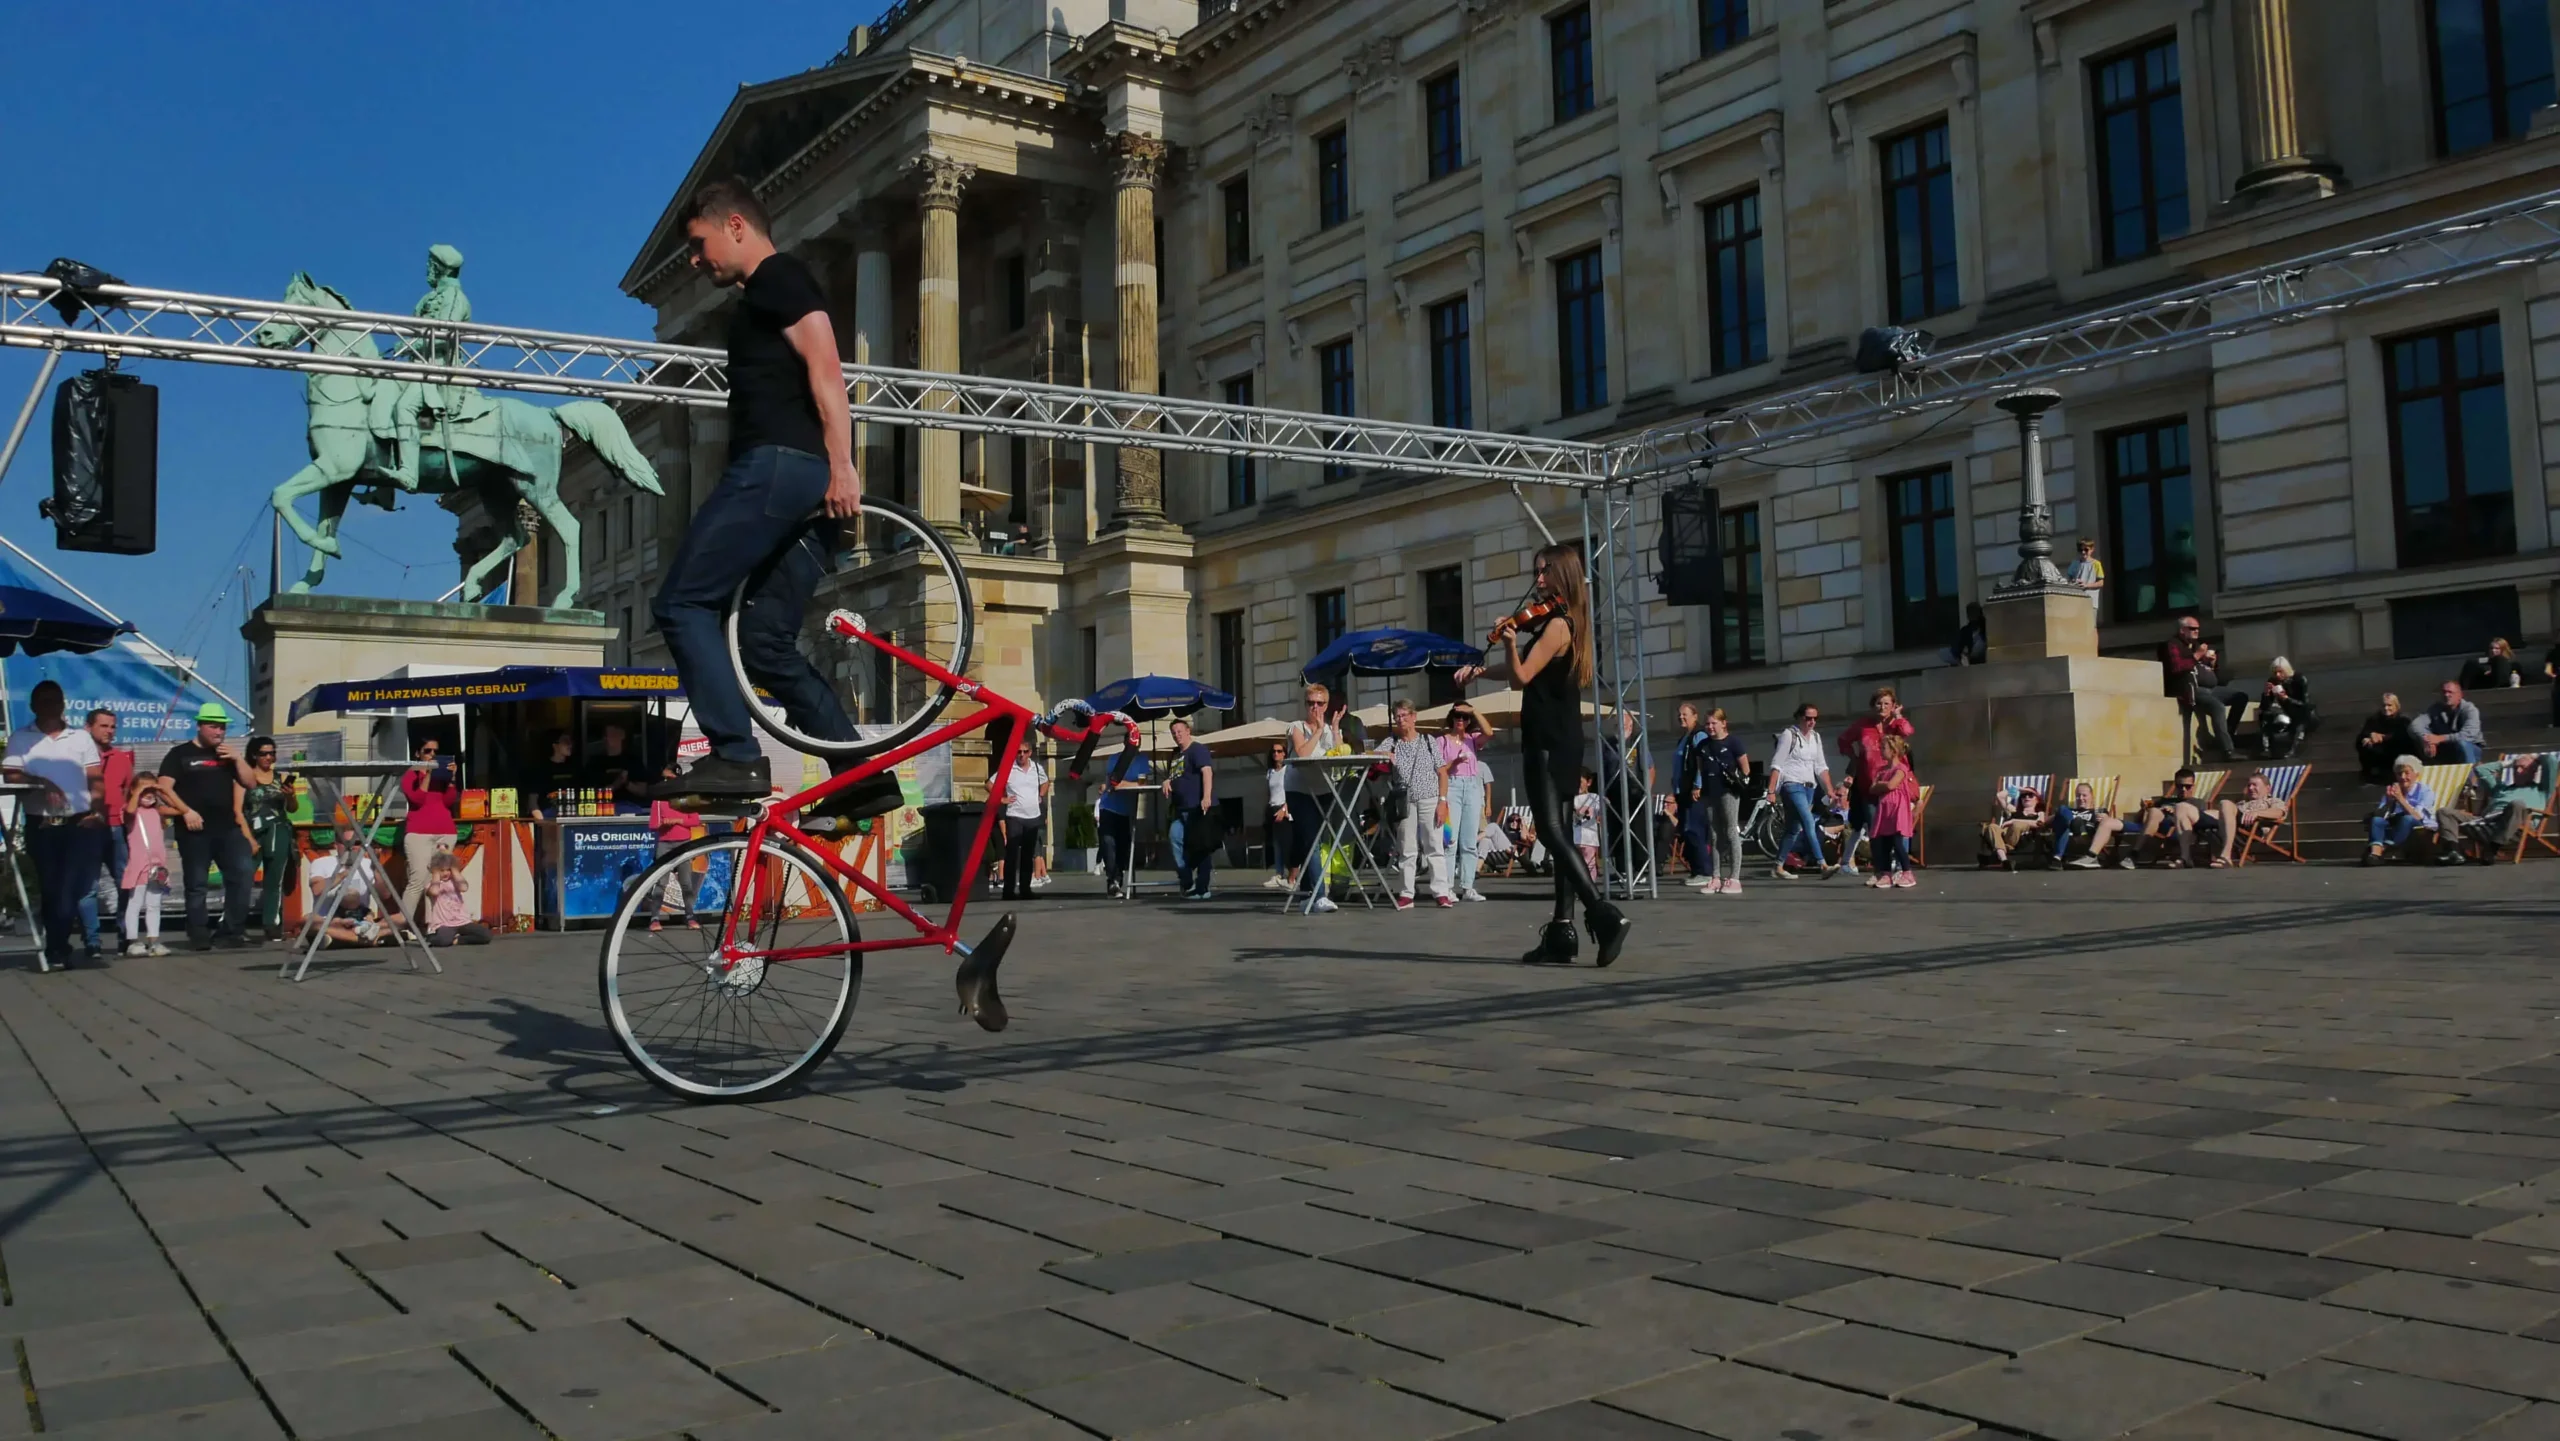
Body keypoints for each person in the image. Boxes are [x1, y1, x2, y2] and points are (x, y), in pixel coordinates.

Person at [645, 178, 894, 828]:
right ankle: (863, 779)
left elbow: (826, 369)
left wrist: (844, 463)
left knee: (680, 602)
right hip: (796, 480)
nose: (696, 263)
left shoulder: (779, 278)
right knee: (764, 644)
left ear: (734, 225)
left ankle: (735, 754)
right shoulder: (761, 294)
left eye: (698, 246)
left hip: (779, 468)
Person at [1449, 544, 1629, 966]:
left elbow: (1523, 676)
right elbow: (1524, 668)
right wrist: (1480, 671)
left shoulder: (1557, 626)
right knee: (1560, 831)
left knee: (1549, 831)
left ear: (1561, 573)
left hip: (1547, 739)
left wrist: (1509, 641)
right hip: (1563, 736)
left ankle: (1604, 914)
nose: (1538, 580)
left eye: (1544, 572)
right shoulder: (1560, 623)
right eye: (1537, 572)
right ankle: (1562, 934)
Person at [5, 681, 106, 969]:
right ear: (34, 705)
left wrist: (97, 811)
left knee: (69, 888)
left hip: (78, 822)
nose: (50, 706)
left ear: (63, 704)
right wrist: (41, 782)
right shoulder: (21, 738)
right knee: (51, 887)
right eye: (44, 701)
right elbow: (11, 774)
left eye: (55, 700)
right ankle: (57, 945)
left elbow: (95, 778)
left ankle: (58, 946)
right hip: (42, 822)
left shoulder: (80, 738)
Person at [157, 702, 258, 951]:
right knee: (197, 882)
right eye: (214, 726)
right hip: (195, 831)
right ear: (200, 726)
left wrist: (237, 758)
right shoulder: (179, 754)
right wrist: (186, 811)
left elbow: (251, 783)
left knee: (243, 874)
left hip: (228, 828)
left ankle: (231, 931)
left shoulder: (227, 756)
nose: (219, 732)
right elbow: (163, 788)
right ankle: (198, 932)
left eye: (222, 727)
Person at [1374, 700, 1451, 909]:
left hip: (1429, 797)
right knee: (1407, 847)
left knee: (1434, 845)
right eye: (1397, 716)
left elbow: (1442, 772)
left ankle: (1441, 892)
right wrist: (1384, 754)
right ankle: (1407, 893)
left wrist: (1442, 801)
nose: (1401, 720)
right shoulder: (1392, 742)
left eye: (1404, 715)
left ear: (1414, 717)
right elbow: (1369, 755)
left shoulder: (1428, 741)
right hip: (1404, 800)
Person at [1837, 686, 1915, 877]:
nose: (1882, 707)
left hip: (1894, 786)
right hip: (1869, 785)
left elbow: (1908, 731)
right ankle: (1882, 870)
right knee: (1875, 829)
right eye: (1878, 703)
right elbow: (1843, 740)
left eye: (1887, 703)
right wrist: (1854, 758)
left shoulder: (1896, 724)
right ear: (1873, 706)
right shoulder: (1863, 725)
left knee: (1898, 829)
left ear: (1893, 705)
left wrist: (1898, 716)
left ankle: (1902, 869)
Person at [1765, 702, 1841, 881]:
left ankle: (1778, 865)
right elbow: (1777, 763)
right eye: (1808, 718)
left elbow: (1821, 766)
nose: (1812, 722)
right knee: (1808, 821)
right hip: (1791, 785)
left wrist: (1829, 789)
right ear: (1800, 717)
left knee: (1793, 828)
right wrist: (1771, 790)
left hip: (1809, 787)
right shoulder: (1789, 735)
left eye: (1815, 718)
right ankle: (1822, 864)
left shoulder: (1815, 737)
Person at [1282, 684, 1341, 912]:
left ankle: (1307, 894)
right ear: (1305, 705)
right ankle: (1319, 894)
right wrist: (1317, 730)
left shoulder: (1330, 729)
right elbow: (1303, 753)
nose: (1315, 707)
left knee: (1314, 840)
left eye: (1320, 703)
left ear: (1326, 705)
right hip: (1299, 790)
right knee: (1312, 840)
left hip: (1324, 788)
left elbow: (1340, 753)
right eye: (1310, 703)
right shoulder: (1296, 727)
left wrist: (1333, 729)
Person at [2160, 615, 2246, 761]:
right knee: (2217, 707)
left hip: (2211, 688)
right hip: (2191, 689)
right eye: (2192, 629)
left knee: (2240, 697)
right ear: (2182, 630)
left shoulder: (2195, 645)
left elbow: (2213, 675)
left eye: (2198, 629)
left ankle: (2227, 735)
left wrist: (2211, 663)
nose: (2196, 632)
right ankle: (2228, 750)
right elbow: (2176, 668)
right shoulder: (2172, 645)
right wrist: (2197, 655)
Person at [2436, 753, 2547, 863]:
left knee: (2517, 804)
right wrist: (2510, 762)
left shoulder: (2542, 790)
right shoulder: (2500, 788)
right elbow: (2480, 770)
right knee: (2444, 812)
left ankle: (2493, 848)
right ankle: (2454, 852)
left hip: (2516, 826)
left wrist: (2535, 758)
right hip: (2487, 823)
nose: (2517, 771)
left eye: (2523, 768)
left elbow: (2550, 760)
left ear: (2534, 771)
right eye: (2515, 768)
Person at [240, 736, 299, 942]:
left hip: (278, 829)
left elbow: (292, 808)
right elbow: (238, 808)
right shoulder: (246, 777)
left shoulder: (281, 777)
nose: (268, 757)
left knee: (275, 879)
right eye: (264, 753)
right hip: (251, 832)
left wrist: (290, 795)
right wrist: (246, 836)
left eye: (272, 753)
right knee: (243, 877)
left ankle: (271, 923)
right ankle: (233, 922)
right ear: (254, 754)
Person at [397, 736, 459, 928]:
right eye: (427, 751)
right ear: (417, 753)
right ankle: (401, 925)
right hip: (419, 832)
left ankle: (435, 925)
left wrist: (452, 779)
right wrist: (429, 774)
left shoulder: (442, 775)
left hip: (444, 830)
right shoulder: (411, 775)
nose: (432, 754)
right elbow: (417, 799)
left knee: (437, 879)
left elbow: (449, 801)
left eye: (435, 751)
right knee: (417, 879)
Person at [1691, 708, 1751, 895]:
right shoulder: (1702, 745)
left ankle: (1734, 878)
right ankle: (1715, 877)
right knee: (1715, 834)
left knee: (1731, 830)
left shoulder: (1734, 742)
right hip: (1710, 792)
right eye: (1707, 723)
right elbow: (1700, 769)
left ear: (1723, 723)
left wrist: (1736, 781)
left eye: (1713, 723)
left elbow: (1746, 769)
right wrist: (1698, 787)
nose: (1710, 727)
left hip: (1729, 792)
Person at [1440, 701, 1492, 903]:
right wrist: (1455, 763)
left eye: (1464, 717)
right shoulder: (1442, 741)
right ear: (1451, 718)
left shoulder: (1473, 739)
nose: (1460, 720)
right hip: (1451, 786)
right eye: (1457, 716)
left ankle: (1468, 886)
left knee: (1469, 841)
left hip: (1471, 787)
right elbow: (1441, 768)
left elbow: (1489, 732)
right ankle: (1447, 887)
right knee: (1450, 840)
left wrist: (1474, 711)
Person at [1162, 716, 1218, 900]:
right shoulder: (1176, 755)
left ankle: (1202, 887)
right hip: (1181, 808)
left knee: (1201, 847)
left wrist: (1206, 796)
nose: (1177, 735)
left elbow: (1207, 772)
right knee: (1174, 837)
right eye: (1174, 733)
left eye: (1179, 731)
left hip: (1197, 807)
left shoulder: (1197, 750)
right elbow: (1175, 774)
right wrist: (1167, 780)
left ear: (1188, 731)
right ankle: (1187, 882)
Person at [119, 779, 172, 957]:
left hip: (158, 866)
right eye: (144, 790)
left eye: (151, 789)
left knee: (154, 905)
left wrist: (164, 791)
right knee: (135, 903)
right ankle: (133, 941)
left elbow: (182, 809)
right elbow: (130, 810)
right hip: (140, 865)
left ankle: (154, 941)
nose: (148, 793)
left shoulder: (158, 812)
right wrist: (138, 790)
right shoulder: (131, 812)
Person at [1097, 725, 1150, 900]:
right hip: (1108, 806)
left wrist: (1124, 784)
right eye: (1130, 741)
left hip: (1127, 810)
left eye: (1136, 741)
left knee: (1123, 847)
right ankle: (1112, 880)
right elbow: (1113, 782)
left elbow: (1143, 784)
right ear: (1125, 742)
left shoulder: (1143, 760)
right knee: (1108, 842)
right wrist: (1124, 784)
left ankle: (1117, 879)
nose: (1133, 744)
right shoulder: (1115, 759)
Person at [648, 773, 703, 932]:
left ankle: (690, 916)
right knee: (661, 883)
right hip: (665, 844)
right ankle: (655, 918)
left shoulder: (686, 799)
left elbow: (695, 820)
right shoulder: (659, 801)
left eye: (671, 780)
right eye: (666, 781)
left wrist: (678, 820)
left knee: (686, 882)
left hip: (684, 843)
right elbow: (653, 824)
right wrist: (663, 823)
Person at [1865, 735, 1920, 889]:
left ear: (1894, 751)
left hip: (1897, 809)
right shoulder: (1882, 770)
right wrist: (1882, 784)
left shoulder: (1901, 768)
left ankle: (1907, 872)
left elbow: (1891, 785)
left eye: (1884, 748)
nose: (1881, 751)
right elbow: (1872, 788)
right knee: (1885, 842)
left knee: (1897, 841)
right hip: (1885, 809)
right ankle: (1886, 873)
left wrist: (1881, 784)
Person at [2210, 770, 2292, 868]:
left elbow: (2278, 813)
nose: (2250, 788)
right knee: (2189, 810)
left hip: (2251, 828)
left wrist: (2257, 813)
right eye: (2249, 785)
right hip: (2232, 825)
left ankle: (2226, 856)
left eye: (2254, 785)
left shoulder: (2273, 801)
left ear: (2268, 788)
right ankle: (2186, 858)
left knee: (2225, 803)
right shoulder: (2242, 802)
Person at [2366, 755, 2438, 864]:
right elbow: (2380, 813)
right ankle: (2375, 854)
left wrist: (2400, 799)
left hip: (2419, 822)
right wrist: (2390, 801)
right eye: (2399, 774)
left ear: (2416, 774)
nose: (2403, 777)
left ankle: (2379, 851)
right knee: (2377, 821)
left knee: (2407, 819)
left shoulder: (2425, 791)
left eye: (2407, 773)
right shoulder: (2394, 789)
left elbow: (2417, 816)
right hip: (2396, 821)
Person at [2128, 770, 2207, 868]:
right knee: (2154, 811)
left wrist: (2175, 812)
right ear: (2175, 786)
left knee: (2158, 811)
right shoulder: (2165, 800)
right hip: (2158, 828)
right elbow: (2137, 820)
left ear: (2193, 786)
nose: (2183, 789)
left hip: (2179, 830)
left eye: (2188, 786)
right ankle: (2134, 853)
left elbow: (2200, 822)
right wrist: (2143, 809)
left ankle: (2134, 854)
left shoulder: (2198, 803)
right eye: (2179, 786)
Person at [998, 745, 1048, 901]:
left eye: (1025, 752)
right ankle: (1008, 890)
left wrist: (1041, 794)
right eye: (1018, 751)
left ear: (1030, 753)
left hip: (1033, 816)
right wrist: (1003, 799)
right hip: (1015, 816)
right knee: (1012, 854)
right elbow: (990, 784)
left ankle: (1025, 889)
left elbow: (1046, 782)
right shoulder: (1008, 768)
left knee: (1028, 854)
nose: (1021, 755)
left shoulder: (1037, 768)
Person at [420, 852, 493, 946]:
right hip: (445, 924)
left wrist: (454, 869)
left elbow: (464, 887)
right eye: (442, 870)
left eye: (448, 870)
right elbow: (434, 892)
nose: (446, 873)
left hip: (462, 921)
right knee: (443, 941)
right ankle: (431, 937)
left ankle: (457, 940)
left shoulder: (454, 882)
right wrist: (436, 874)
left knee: (486, 935)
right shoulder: (432, 885)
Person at [2052, 781, 2127, 868]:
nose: (2080, 798)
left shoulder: (2097, 811)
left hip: (2085, 837)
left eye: (2084, 795)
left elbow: (2106, 823)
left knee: (2074, 819)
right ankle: (2072, 824)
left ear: (2092, 796)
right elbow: (2048, 820)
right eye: (2078, 795)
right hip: (2067, 835)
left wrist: (2104, 817)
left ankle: (2058, 856)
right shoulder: (2069, 811)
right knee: (2062, 809)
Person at [2411, 680, 2484, 765]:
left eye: (2450, 692)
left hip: (2471, 749)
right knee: (2417, 741)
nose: (2446, 695)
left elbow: (2468, 735)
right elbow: (2415, 725)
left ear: (2460, 695)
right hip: (2446, 749)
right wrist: (2427, 740)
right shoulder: (2435, 709)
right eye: (2444, 692)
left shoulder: (2470, 710)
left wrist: (2440, 738)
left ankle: (2470, 774)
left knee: (2462, 744)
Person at [2255, 657, 2315, 759]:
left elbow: (2305, 704)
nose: (2278, 675)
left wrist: (2287, 698)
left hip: (2302, 712)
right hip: (2285, 712)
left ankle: (2294, 750)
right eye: (2275, 672)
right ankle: (2266, 748)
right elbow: (2264, 707)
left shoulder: (2299, 679)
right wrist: (2266, 694)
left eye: (2280, 672)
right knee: (2265, 716)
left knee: (2300, 721)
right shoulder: (2273, 681)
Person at [2355, 692, 2418, 784]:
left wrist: (2382, 737)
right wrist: (2369, 736)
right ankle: (2368, 773)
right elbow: (2365, 732)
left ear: (2396, 706)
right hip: (2380, 750)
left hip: (2397, 750)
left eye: (2389, 705)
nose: (2386, 708)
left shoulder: (2403, 719)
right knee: (2361, 742)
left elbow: (2402, 735)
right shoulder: (2374, 719)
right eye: (2384, 705)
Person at [1981, 784, 2048, 869]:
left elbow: (2039, 823)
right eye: (2023, 795)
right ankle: (2004, 861)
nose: (2026, 797)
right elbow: (1999, 796)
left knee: (2017, 825)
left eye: (2030, 795)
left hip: (2018, 837)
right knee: (1992, 826)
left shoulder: (2040, 813)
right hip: (2004, 834)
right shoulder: (2014, 810)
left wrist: (2013, 821)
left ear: (2037, 799)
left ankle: (2000, 854)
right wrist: (2019, 788)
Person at [1260, 739, 1292, 891]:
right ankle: (1278, 873)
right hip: (1272, 807)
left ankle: (1292, 875)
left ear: (1285, 753)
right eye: (1274, 751)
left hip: (1284, 808)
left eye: (1279, 751)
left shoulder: (1289, 770)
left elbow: (1291, 792)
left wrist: (1285, 809)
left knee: (1287, 843)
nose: (1276, 754)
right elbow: (1268, 792)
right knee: (1276, 844)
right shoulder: (1270, 772)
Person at [2457, 637, 2522, 692]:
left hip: (2501, 685)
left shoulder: (2511, 664)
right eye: (2491, 648)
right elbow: (2474, 662)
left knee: (2499, 659)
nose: (2493, 651)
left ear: (2502, 650)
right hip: (2486, 683)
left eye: (2496, 648)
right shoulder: (2484, 663)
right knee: (2470, 663)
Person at [1571, 770, 1603, 880]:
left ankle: (1589, 888)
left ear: (1588, 782)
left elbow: (1600, 812)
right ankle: (1579, 889)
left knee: (1589, 864)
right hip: (1573, 838)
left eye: (1580, 781)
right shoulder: (1570, 799)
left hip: (1589, 838)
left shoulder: (1594, 797)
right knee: (1575, 865)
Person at [2066, 537, 2105, 613]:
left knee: (2091, 624)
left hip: (2091, 601)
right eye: (2081, 550)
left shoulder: (2096, 564)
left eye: (2086, 550)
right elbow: (2068, 578)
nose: (2083, 552)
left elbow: (2101, 583)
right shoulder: (2075, 563)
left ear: (2092, 549)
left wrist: (2086, 585)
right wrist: (2073, 582)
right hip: (2076, 600)